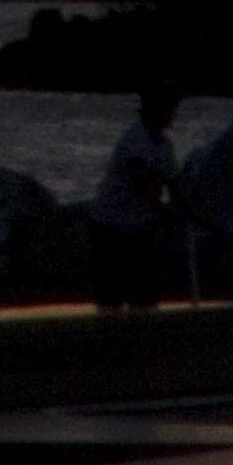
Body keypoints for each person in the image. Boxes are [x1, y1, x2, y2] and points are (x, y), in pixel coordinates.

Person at [87, 85, 188, 310]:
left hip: (140, 227)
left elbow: (175, 187)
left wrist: (184, 212)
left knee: (146, 294)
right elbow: (141, 186)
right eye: (168, 108)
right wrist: (167, 213)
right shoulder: (134, 139)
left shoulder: (166, 147)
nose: (172, 114)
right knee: (111, 296)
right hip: (110, 226)